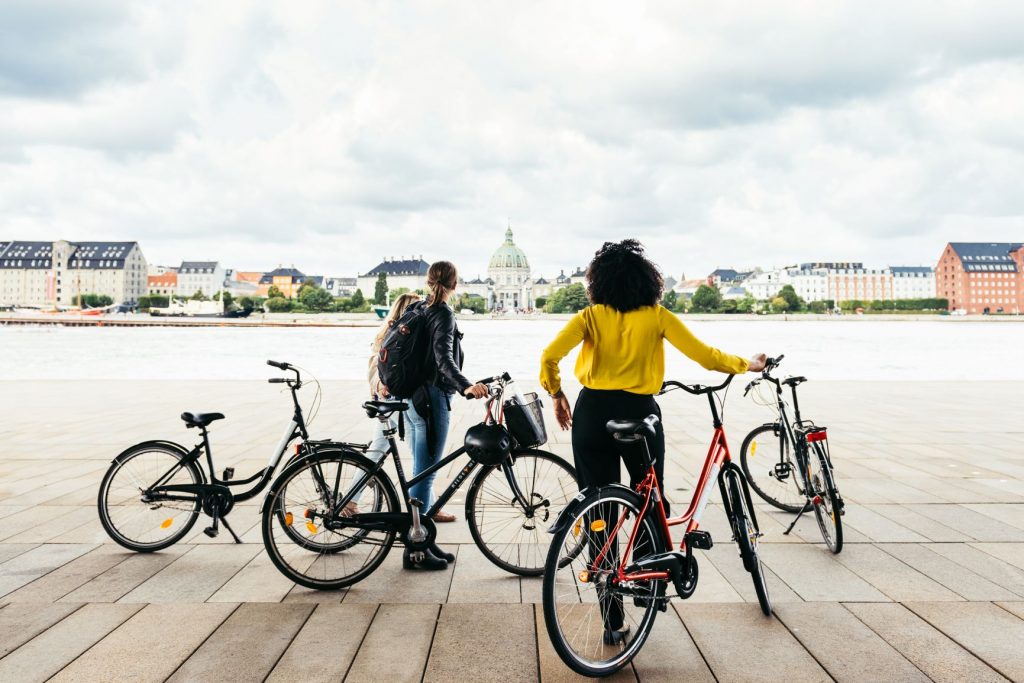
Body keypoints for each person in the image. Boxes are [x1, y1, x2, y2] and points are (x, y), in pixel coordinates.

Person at [539, 240, 766, 638]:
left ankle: (611, 619)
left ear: (599, 282)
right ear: (647, 282)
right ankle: (648, 584)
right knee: (649, 498)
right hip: (639, 413)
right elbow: (706, 355)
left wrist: (557, 394)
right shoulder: (657, 316)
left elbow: (549, 357)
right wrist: (745, 364)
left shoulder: (589, 317)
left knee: (598, 511)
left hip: (591, 414)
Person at [403, 260, 488, 570]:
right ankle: (416, 547)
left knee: (420, 470)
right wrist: (467, 387)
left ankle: (423, 540)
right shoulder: (442, 312)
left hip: (412, 398)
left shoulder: (419, 308)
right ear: (455, 284)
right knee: (427, 473)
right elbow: (443, 361)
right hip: (432, 399)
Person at [367, 292, 422, 460]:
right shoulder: (402, 338)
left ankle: (359, 482)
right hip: (398, 398)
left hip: (384, 398)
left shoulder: (385, 334)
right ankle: (420, 486)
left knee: (376, 449)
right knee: (418, 454)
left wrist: (378, 387)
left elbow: (373, 366)